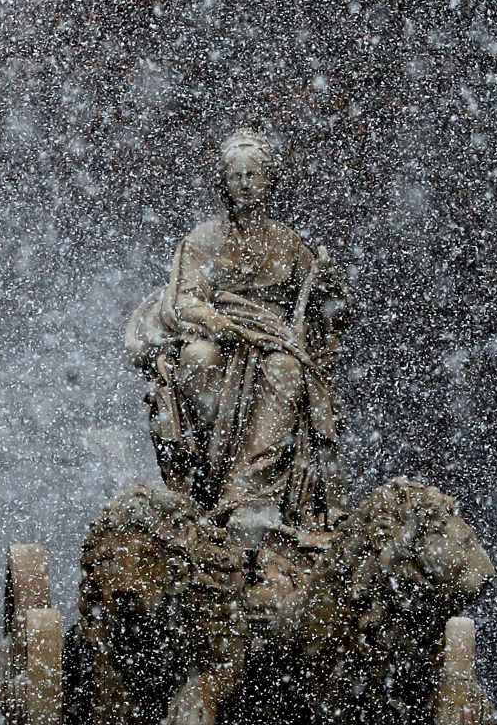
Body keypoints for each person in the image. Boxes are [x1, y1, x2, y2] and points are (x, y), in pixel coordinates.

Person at [125, 128, 348, 535]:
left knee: (285, 371)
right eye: (237, 176)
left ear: (269, 180)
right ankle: (208, 484)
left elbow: (325, 311)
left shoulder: (290, 245)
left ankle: (250, 492)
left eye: (253, 175)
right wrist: (219, 324)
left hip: (273, 339)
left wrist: (329, 289)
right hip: (219, 334)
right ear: (224, 183)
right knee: (197, 360)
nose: (245, 185)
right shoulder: (203, 240)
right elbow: (185, 299)